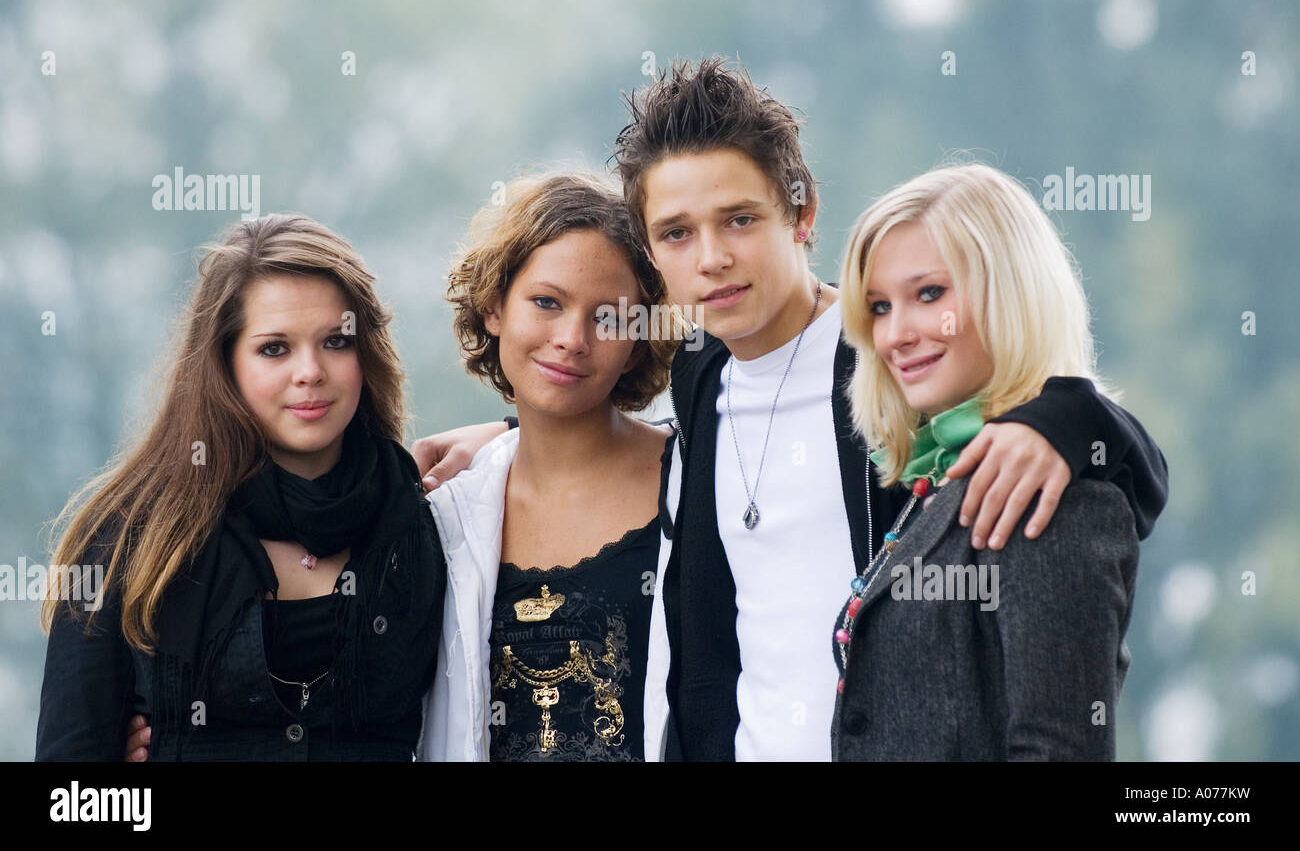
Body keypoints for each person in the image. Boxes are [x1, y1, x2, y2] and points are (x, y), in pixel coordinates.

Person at [414, 57, 1168, 761]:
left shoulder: (889, 355)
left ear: (801, 214)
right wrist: (512, 435)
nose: (711, 257)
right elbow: (607, 411)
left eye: (739, 219)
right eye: (677, 233)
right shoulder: (701, 375)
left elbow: (1107, 452)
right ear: (653, 254)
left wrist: (1067, 421)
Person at [37, 214, 445, 761]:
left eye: (335, 341)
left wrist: (504, 430)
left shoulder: (423, 519)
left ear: (365, 353)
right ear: (224, 364)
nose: (310, 371)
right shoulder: (129, 538)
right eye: (274, 348)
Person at [831, 162, 1145, 759]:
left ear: (1009, 291)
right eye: (878, 307)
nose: (896, 334)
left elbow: (1056, 749)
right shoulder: (938, 477)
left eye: (929, 294)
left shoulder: (1047, 489)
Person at [418, 172, 678, 761]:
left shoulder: (698, 485)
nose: (572, 338)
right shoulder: (446, 509)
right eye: (546, 302)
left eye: (608, 318)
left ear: (639, 339)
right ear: (493, 305)